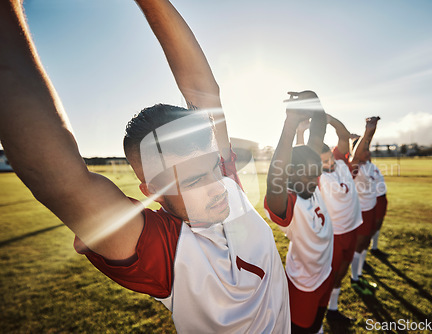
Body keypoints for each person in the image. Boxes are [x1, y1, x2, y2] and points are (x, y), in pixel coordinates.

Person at [0, 0, 290, 332]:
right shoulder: (168, 252)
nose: (216, 183)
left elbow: (204, 89)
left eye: (213, 166)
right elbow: (60, 179)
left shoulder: (224, 180)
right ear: (153, 191)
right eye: (193, 179)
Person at [264, 91, 334, 333]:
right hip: (304, 282)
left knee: (317, 322)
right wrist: (290, 124)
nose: (315, 179)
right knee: (301, 328)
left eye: (317, 172)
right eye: (307, 174)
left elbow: (320, 129)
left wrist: (313, 98)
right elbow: (276, 174)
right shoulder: (287, 203)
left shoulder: (310, 184)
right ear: (290, 175)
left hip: (325, 270)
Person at [297, 114, 367, 328]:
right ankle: (320, 316)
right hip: (333, 234)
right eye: (323, 161)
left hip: (352, 226)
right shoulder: (317, 175)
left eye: (329, 159)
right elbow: (301, 155)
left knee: (343, 270)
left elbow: (343, 135)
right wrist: (300, 132)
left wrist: (327, 118)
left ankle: (333, 309)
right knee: (330, 275)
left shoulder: (339, 161)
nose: (328, 163)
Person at [349, 117, 380, 291]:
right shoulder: (355, 166)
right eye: (365, 150)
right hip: (360, 212)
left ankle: (359, 274)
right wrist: (366, 131)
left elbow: (366, 144)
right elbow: (359, 149)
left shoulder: (368, 163)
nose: (368, 152)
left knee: (365, 244)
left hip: (371, 208)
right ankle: (355, 278)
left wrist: (372, 130)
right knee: (358, 245)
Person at [370, 162, 388, 257]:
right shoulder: (359, 167)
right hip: (373, 199)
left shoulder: (372, 165)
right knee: (370, 227)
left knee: (378, 224)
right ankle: (361, 255)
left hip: (381, 198)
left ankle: (374, 247)